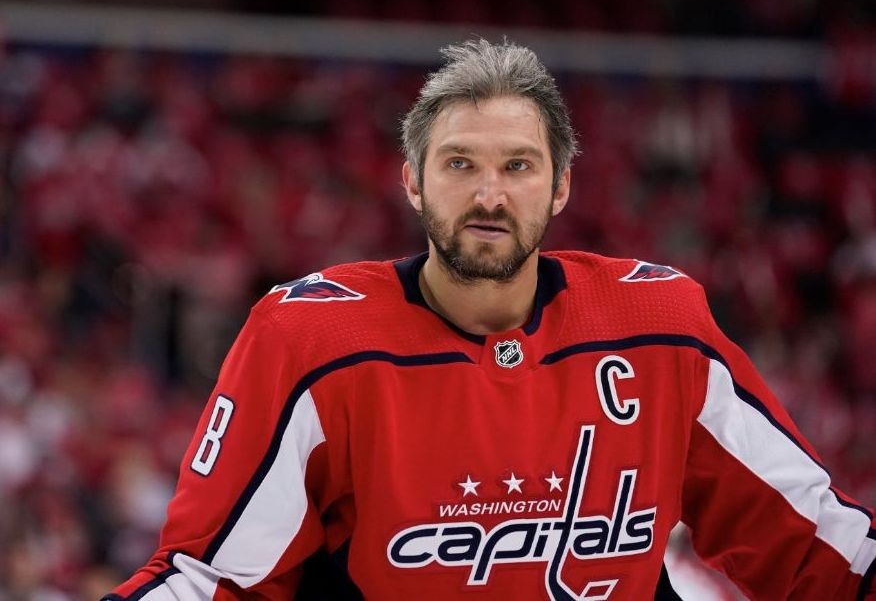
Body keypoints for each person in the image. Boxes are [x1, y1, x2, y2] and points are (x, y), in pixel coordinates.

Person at [103, 39, 875, 601]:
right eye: (460, 163)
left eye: (518, 165)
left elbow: (815, 551)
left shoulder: (661, 325)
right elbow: (213, 579)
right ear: (413, 182)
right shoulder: (310, 339)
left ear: (561, 185)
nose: (489, 195)